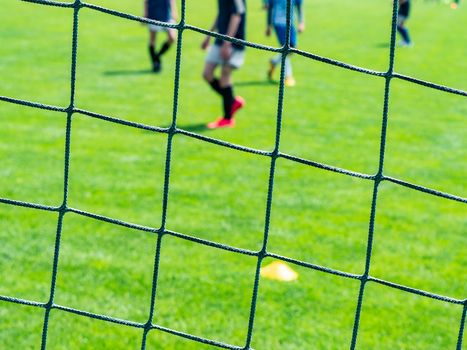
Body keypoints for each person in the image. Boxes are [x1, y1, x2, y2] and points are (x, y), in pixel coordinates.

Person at [201, 0, 246, 129]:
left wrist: (227, 43)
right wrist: (209, 35)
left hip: (233, 42)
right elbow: (221, 13)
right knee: (207, 74)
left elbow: (237, 16)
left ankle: (227, 119)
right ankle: (232, 101)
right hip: (219, 40)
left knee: (225, 74)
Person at [265, 0, 305, 87]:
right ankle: (288, 76)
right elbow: (270, 7)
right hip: (278, 22)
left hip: (290, 23)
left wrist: (301, 22)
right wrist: (268, 25)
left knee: (293, 48)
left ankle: (274, 61)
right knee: (286, 49)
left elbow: (299, 6)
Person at [144, 0, 178, 72]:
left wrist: (174, 10)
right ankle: (155, 63)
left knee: (172, 38)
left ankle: (157, 56)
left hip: (166, 13)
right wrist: (145, 13)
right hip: (153, 12)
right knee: (152, 40)